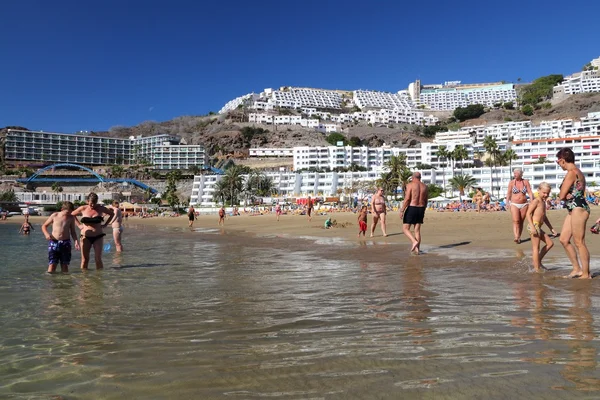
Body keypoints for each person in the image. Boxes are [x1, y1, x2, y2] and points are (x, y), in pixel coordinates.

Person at [556, 147, 591, 279]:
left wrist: (564, 196)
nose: (559, 164)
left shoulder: (572, 172)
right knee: (564, 239)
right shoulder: (578, 172)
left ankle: (586, 273)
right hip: (574, 209)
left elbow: (561, 195)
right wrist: (566, 196)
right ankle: (577, 269)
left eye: (558, 162)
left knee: (579, 242)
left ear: (563, 160)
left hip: (578, 208)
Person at [72, 192, 114, 270]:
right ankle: (84, 279)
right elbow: (72, 214)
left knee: (98, 259)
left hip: (98, 236)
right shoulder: (83, 208)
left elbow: (112, 214)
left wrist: (105, 224)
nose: (92, 205)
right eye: (91, 203)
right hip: (85, 236)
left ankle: (99, 278)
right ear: (87, 201)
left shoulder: (101, 208)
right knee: (84, 260)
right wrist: (78, 225)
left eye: (94, 203)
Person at [526, 182, 558, 272]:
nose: (546, 195)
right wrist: (532, 227)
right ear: (538, 190)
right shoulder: (536, 201)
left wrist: (551, 229)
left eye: (547, 193)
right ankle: (537, 269)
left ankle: (538, 262)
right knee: (536, 247)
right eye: (544, 192)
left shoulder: (543, 202)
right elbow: (528, 214)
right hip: (534, 225)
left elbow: (544, 217)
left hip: (538, 226)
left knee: (550, 243)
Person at [41, 201, 80, 273]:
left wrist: (76, 241)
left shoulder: (71, 218)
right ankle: (50, 281)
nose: (68, 214)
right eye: (67, 212)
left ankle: (64, 282)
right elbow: (44, 226)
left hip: (66, 243)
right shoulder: (55, 215)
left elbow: (73, 232)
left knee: (65, 265)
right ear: (62, 209)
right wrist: (46, 234)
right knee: (52, 264)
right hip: (54, 242)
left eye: (70, 212)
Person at [401, 172, 428, 254]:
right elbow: (426, 200)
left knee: (405, 229)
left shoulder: (410, 185)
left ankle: (414, 241)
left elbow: (407, 199)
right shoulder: (425, 186)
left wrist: (402, 210)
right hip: (421, 208)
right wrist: (423, 209)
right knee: (417, 230)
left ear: (413, 177)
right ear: (420, 177)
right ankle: (417, 250)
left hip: (412, 207)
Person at [506, 168, 534, 244]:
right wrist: (507, 202)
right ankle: (516, 236)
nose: (515, 175)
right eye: (514, 173)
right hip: (514, 204)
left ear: (521, 174)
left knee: (521, 221)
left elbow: (530, 192)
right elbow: (508, 193)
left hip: (524, 204)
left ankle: (519, 237)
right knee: (516, 221)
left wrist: (532, 201)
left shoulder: (526, 182)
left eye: (516, 173)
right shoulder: (512, 182)